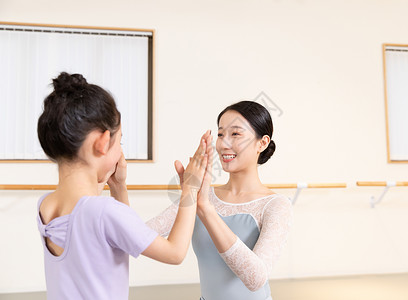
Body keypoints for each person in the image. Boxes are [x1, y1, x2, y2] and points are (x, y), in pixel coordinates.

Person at [36, 72, 213, 299]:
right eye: (120, 141)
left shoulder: (45, 205)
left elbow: (119, 234)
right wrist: (191, 188)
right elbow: (175, 253)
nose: (120, 150)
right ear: (102, 142)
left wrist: (118, 186)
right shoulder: (104, 212)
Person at [146, 101, 293, 300]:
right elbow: (138, 234)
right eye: (221, 134)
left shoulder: (275, 205)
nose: (223, 144)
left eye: (236, 134)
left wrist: (205, 209)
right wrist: (118, 186)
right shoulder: (202, 195)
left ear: (262, 143)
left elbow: (256, 278)